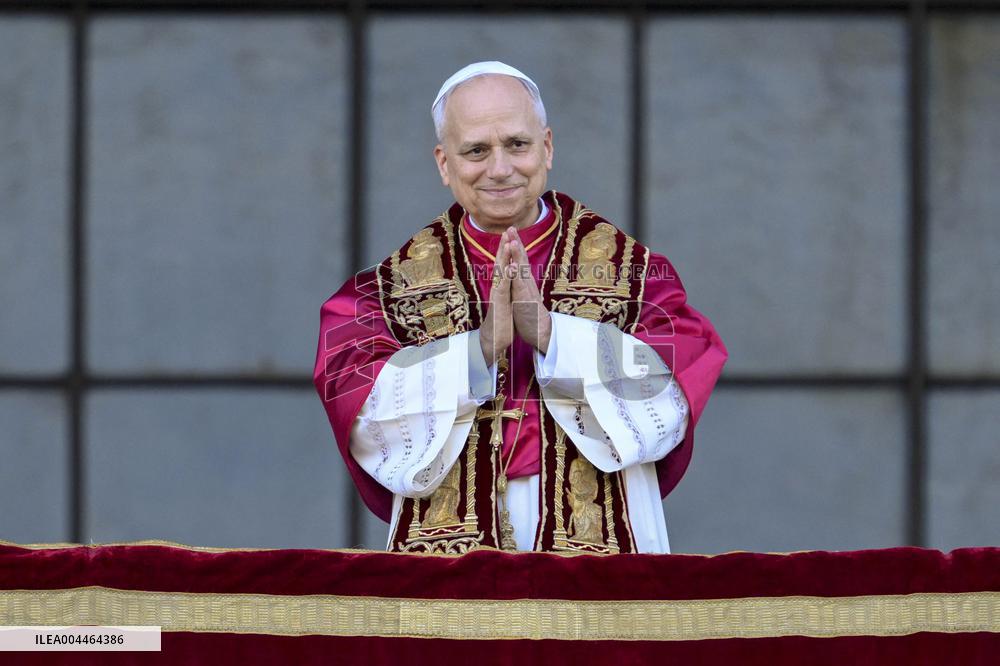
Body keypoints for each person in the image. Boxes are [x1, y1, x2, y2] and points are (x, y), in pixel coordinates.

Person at [313, 61, 727, 554]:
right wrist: (480, 348)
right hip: (451, 539)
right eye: (475, 151)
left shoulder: (635, 274)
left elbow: (674, 392)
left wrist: (551, 335)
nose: (500, 168)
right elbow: (360, 406)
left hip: (606, 534)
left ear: (546, 147)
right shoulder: (385, 291)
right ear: (444, 164)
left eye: (517, 144)